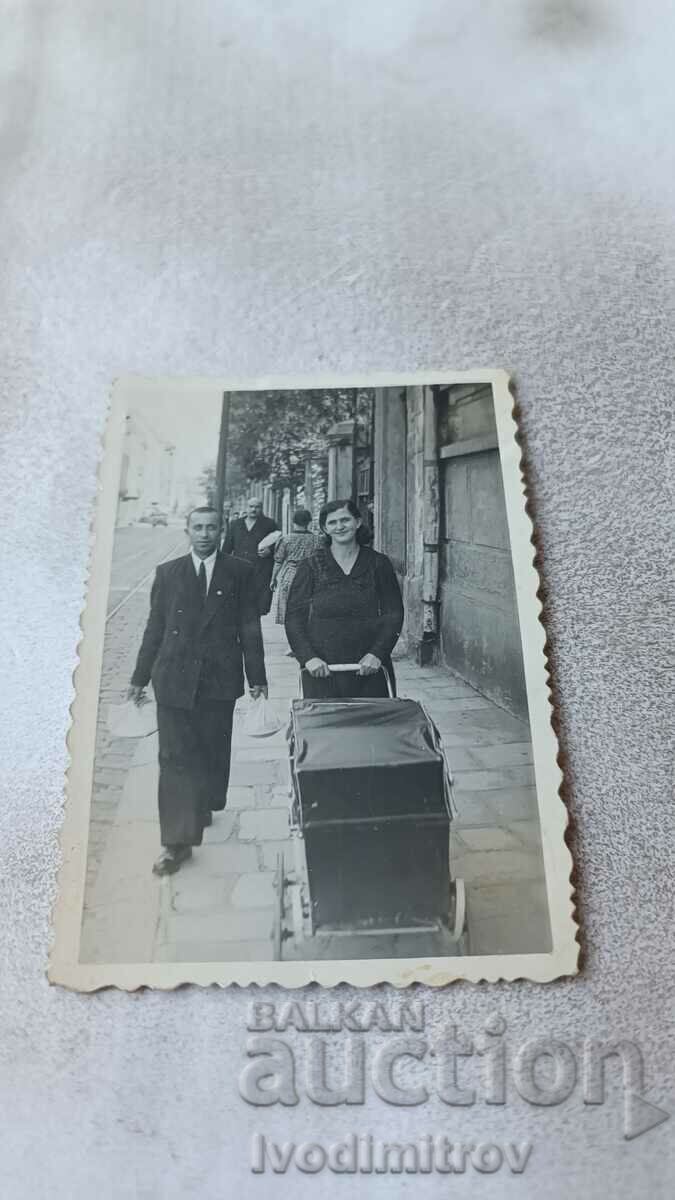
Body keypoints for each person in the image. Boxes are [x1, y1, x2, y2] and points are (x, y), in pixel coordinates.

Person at [127, 506, 268, 876]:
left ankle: (203, 803)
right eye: (198, 528)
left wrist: (258, 679)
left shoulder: (240, 572)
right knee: (174, 758)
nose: (204, 534)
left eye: (211, 528)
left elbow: (250, 629)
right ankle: (176, 843)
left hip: (219, 679)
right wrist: (139, 678)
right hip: (173, 677)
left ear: (222, 531)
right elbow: (154, 629)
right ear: (187, 531)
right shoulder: (168, 573)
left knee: (211, 751)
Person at [284, 498, 404, 698]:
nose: (339, 527)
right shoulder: (311, 566)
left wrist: (377, 654)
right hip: (322, 668)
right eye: (332, 522)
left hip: (369, 666)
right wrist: (308, 658)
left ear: (357, 522)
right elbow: (294, 618)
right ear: (324, 528)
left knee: (373, 725)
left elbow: (394, 613)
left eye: (345, 520)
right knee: (326, 727)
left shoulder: (379, 563)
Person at [221, 497, 279, 615]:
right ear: (246, 508)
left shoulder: (269, 524)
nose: (253, 509)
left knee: (258, 606)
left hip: (261, 570)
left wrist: (270, 550)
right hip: (239, 570)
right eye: (251, 506)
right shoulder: (236, 524)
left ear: (261, 509)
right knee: (238, 605)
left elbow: (279, 544)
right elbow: (227, 547)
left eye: (257, 507)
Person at [270, 508, 324, 626]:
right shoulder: (317, 539)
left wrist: (273, 578)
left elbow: (278, 561)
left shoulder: (286, 539)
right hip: (311, 575)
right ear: (309, 522)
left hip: (290, 574)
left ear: (293, 521)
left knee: (288, 606)